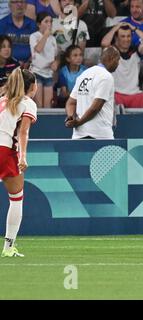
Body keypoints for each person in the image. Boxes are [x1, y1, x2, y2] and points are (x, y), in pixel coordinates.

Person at [0, 68, 38, 257]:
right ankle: (8, 248)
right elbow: (23, 132)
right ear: (33, 86)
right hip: (5, 151)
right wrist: (22, 156)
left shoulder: (2, 100)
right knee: (16, 198)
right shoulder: (27, 103)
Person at [65, 46, 120, 139]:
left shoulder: (84, 74)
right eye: (118, 60)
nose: (118, 64)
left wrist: (71, 117)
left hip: (79, 135)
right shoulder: (106, 76)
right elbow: (96, 107)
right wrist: (79, 122)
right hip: (100, 136)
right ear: (112, 59)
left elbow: (71, 103)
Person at [101, 22, 143, 108]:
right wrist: (116, 27)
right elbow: (104, 43)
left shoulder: (136, 51)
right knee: (108, 102)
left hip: (134, 94)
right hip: (116, 94)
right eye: (123, 36)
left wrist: (134, 28)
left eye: (128, 36)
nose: (126, 39)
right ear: (116, 38)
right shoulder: (112, 51)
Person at [29, 12, 59, 108]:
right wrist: (45, 35)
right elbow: (38, 49)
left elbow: (56, 55)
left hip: (48, 73)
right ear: (39, 24)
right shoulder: (34, 36)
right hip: (37, 72)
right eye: (46, 21)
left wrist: (56, 62)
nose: (49, 24)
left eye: (50, 21)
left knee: (48, 105)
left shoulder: (53, 39)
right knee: (38, 105)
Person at [0, 0, 37, 67]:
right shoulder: (2, 24)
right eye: (15, 2)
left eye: (22, 2)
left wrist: (29, 62)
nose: (19, 4)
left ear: (26, 5)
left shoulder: (33, 25)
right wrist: (14, 62)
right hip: (7, 66)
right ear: (9, 5)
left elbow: (37, 48)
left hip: (30, 66)